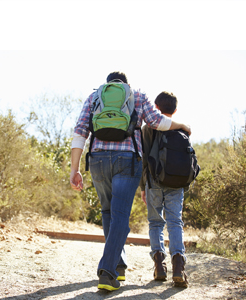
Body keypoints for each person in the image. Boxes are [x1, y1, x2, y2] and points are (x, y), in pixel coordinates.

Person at [70, 72, 191, 291]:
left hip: (97, 160)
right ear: (126, 84)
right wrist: (182, 125)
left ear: (108, 85)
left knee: (108, 212)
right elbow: (156, 122)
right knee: (120, 217)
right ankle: (107, 272)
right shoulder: (137, 95)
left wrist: (74, 169)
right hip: (127, 160)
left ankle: (119, 265)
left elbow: (80, 132)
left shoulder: (94, 97)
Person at [140, 91, 189, 288]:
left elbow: (143, 157)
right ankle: (178, 266)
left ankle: (159, 265)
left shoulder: (148, 128)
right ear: (175, 110)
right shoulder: (182, 129)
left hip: (154, 182)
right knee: (175, 222)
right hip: (177, 183)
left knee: (155, 223)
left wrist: (143, 186)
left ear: (156, 108)